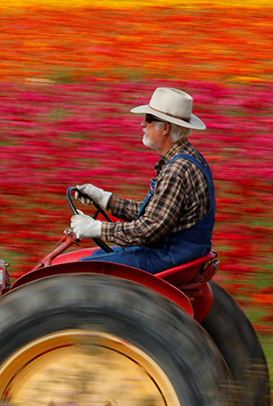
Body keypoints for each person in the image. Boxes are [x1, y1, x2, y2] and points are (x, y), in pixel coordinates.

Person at [69, 87, 215, 274]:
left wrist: (97, 228)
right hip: (176, 250)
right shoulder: (188, 157)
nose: (142, 124)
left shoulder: (176, 171)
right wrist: (105, 199)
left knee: (83, 270)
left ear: (166, 128)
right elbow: (157, 214)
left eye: (148, 119)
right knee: (95, 257)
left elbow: (148, 229)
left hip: (168, 254)